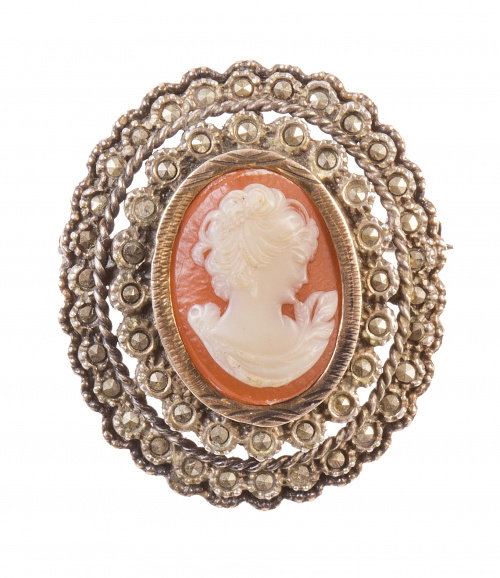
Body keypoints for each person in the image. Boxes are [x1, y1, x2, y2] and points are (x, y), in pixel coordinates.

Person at [188, 183, 338, 388]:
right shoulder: (211, 341)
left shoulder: (306, 340)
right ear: (256, 259)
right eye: (297, 261)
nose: (304, 278)